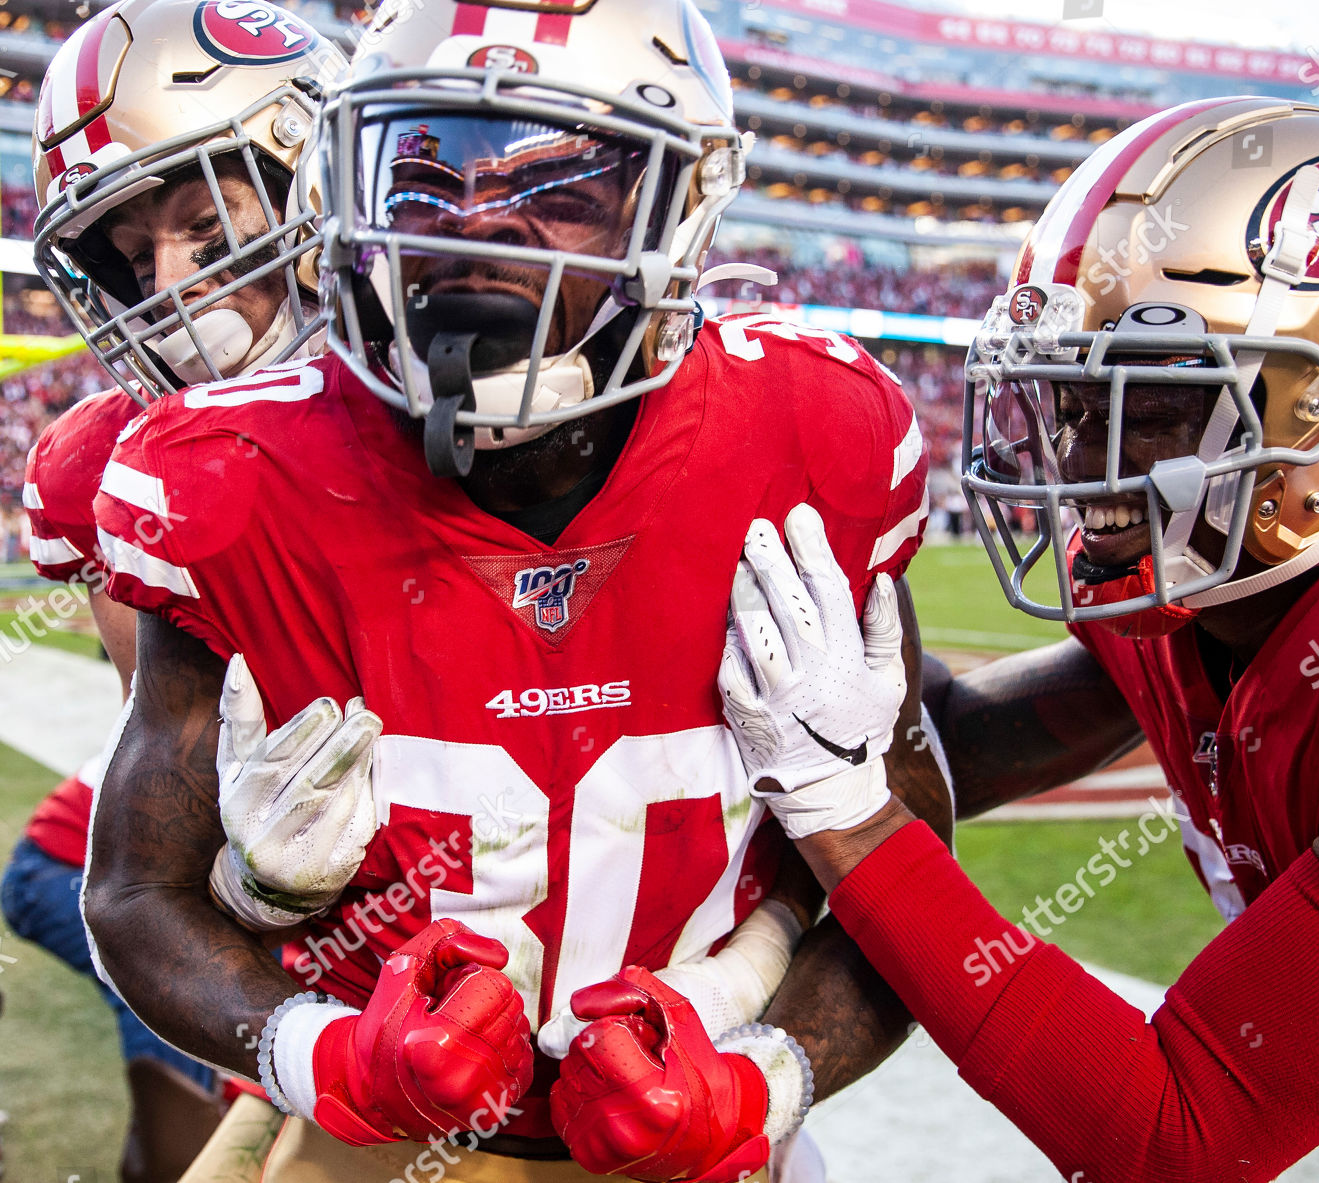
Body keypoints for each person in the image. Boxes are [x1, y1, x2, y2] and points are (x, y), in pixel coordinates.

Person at [84, 1, 951, 1180]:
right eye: (423, 181)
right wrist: (324, 1054)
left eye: (556, 184)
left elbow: (905, 865)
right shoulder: (229, 477)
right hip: (385, 1127)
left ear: (679, 206)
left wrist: (764, 1074)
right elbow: (139, 890)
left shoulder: (814, 434)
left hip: (702, 1113)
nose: (477, 232)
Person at [699, 98, 1319, 1183]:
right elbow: (951, 741)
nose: (1084, 461)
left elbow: (1169, 1138)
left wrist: (850, 820)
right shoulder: (1210, 609)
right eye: (1074, 399)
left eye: (1158, 405)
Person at [5, 2, 349, 1177]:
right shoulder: (122, 472)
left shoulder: (474, 409)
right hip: (293, 957)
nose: (168, 286)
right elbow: (180, 823)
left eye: (210, 227)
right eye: (124, 252)